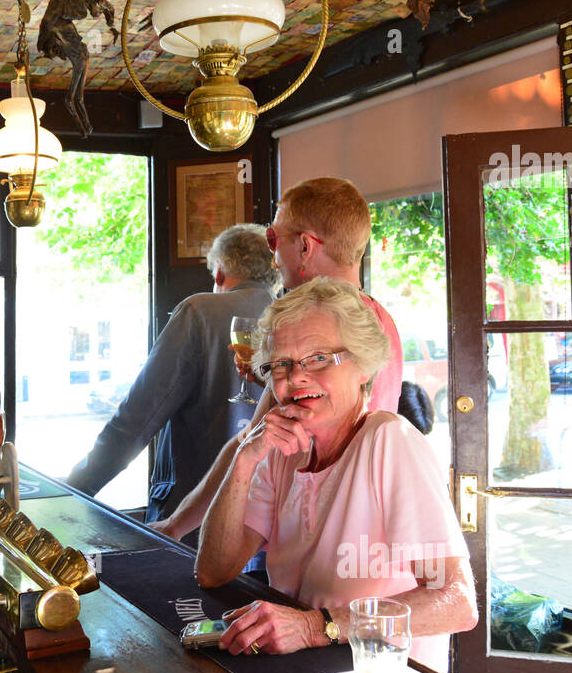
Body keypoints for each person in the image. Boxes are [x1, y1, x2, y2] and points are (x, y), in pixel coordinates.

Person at [195, 278, 477, 672]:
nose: (295, 378)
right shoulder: (284, 452)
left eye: (319, 358)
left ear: (362, 365)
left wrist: (316, 626)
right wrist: (244, 459)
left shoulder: (389, 442)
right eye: (282, 364)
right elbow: (213, 571)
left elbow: (457, 602)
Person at [150, 177, 404, 541]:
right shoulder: (380, 319)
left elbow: (248, 443)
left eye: (273, 239)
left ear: (304, 246)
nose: (272, 257)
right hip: (367, 530)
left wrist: (175, 526)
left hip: (319, 536)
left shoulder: (312, 325)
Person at [66, 224, 277, 523]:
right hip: (269, 520)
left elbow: (137, 418)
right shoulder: (291, 315)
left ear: (219, 273)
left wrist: (73, 490)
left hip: (192, 517)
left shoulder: (199, 312)